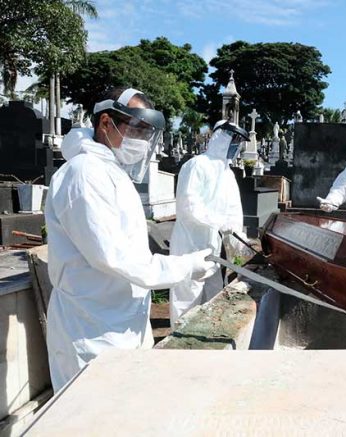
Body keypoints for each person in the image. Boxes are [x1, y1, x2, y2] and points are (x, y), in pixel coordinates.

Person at [45, 87, 216, 391]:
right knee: (90, 417)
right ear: (106, 123)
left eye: (147, 132)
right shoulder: (84, 175)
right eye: (136, 129)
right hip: (92, 328)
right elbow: (114, 257)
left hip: (122, 320)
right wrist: (185, 266)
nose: (142, 140)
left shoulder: (110, 171)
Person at [169, 120, 250, 324]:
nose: (236, 145)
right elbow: (189, 205)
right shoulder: (197, 165)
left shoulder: (227, 174)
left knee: (214, 295)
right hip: (190, 244)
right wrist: (219, 222)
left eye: (239, 142)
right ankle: (180, 345)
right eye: (234, 139)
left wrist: (240, 243)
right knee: (187, 296)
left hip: (213, 246)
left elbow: (234, 214)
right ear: (220, 138)